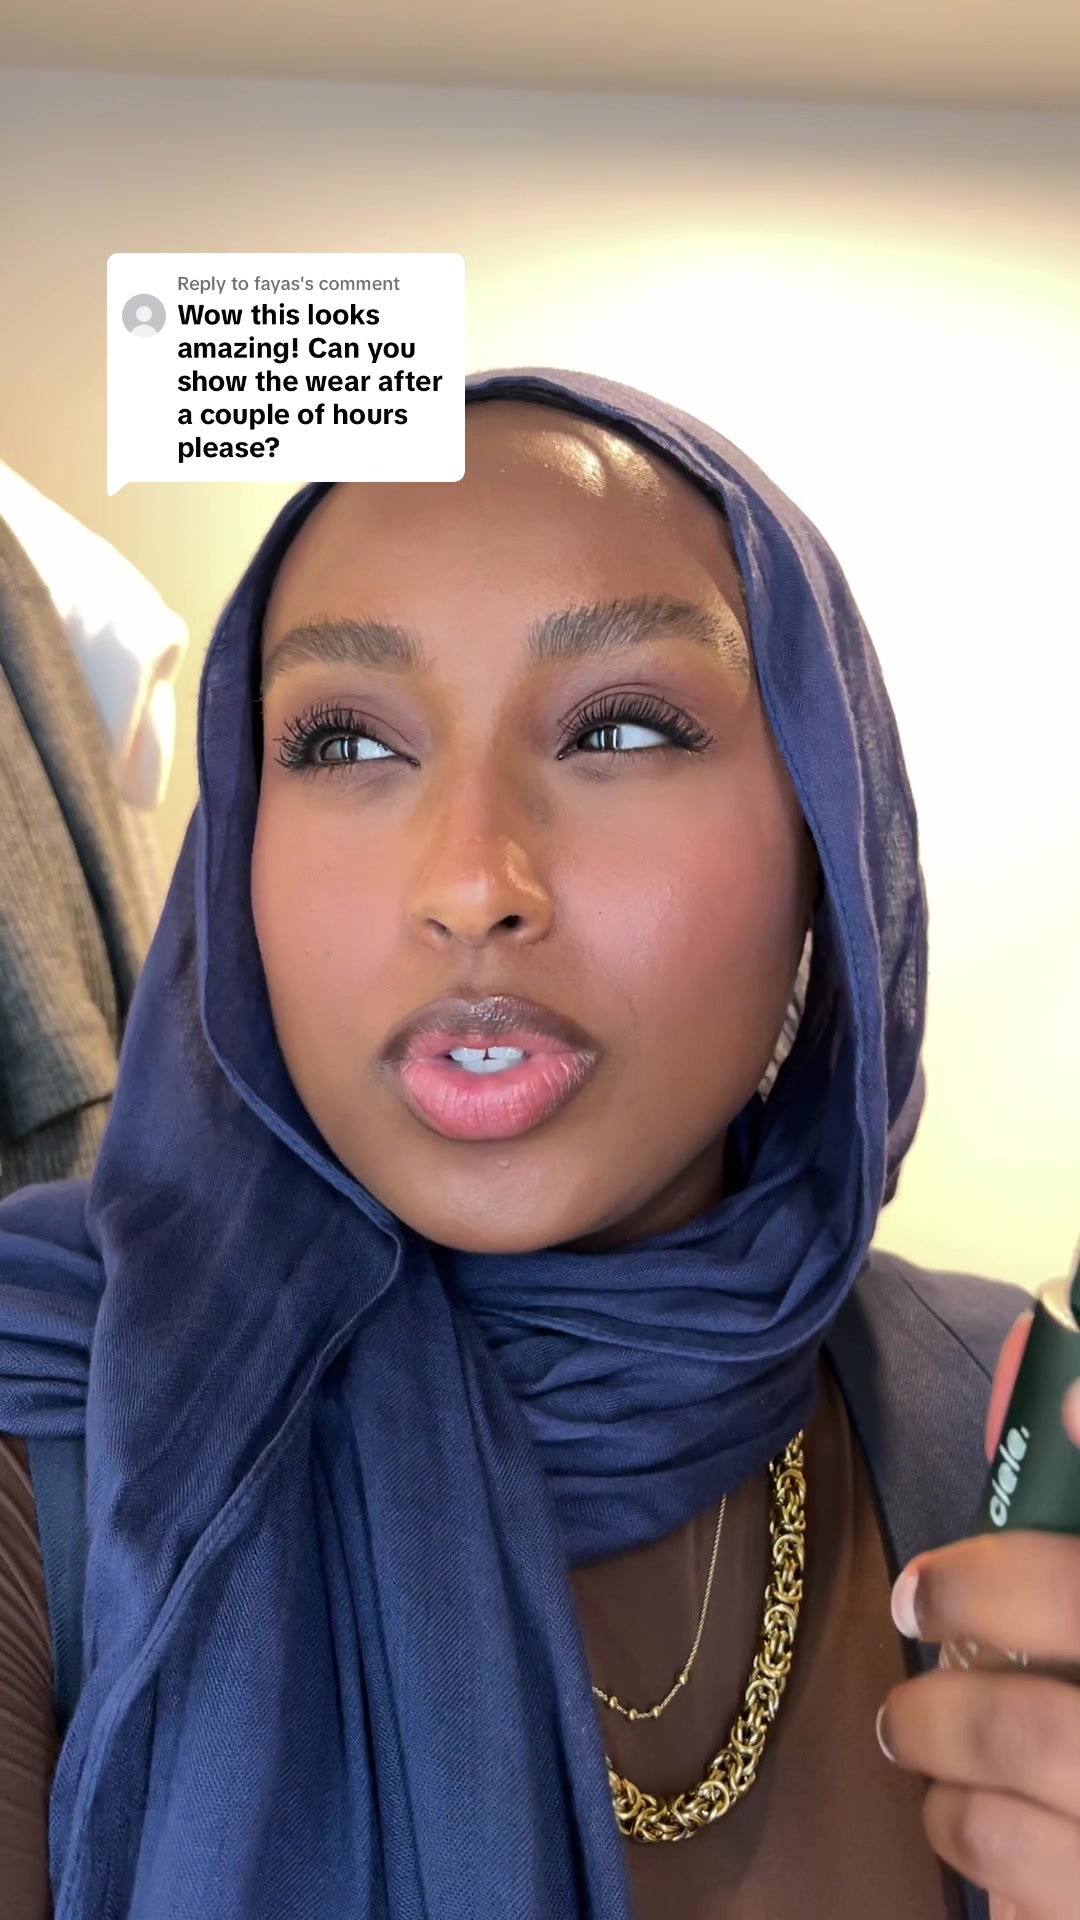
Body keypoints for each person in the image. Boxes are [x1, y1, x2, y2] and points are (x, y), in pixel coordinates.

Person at [0, 367, 1077, 1920]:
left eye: (621, 728)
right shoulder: (46, 1421)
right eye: (347, 744)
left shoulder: (1014, 1433)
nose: (472, 883)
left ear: (827, 842)